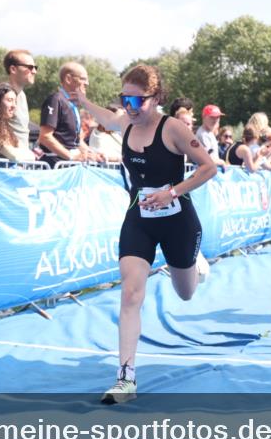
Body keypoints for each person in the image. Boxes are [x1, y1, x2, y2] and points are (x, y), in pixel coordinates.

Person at [73, 64, 217, 404]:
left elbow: (209, 167)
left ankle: (194, 264)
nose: (130, 108)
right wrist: (82, 100)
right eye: (125, 100)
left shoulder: (174, 129)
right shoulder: (123, 123)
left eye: (138, 102)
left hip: (178, 219)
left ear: (156, 99)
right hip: (139, 217)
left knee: (185, 292)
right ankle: (126, 379)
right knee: (131, 293)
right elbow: (104, 117)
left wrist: (173, 192)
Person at [38, 62, 96, 166]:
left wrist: (93, 155)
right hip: (56, 166)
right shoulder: (55, 100)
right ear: (68, 79)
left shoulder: (72, 103)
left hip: (67, 165)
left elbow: (76, 142)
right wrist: (72, 157)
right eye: (83, 79)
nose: (87, 83)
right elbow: (45, 137)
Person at [0, 82, 36, 162]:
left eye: (15, 101)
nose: (14, 105)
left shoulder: (7, 129)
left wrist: (21, 154)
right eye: (10, 100)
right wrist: (21, 153)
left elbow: (32, 156)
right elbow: (14, 157)